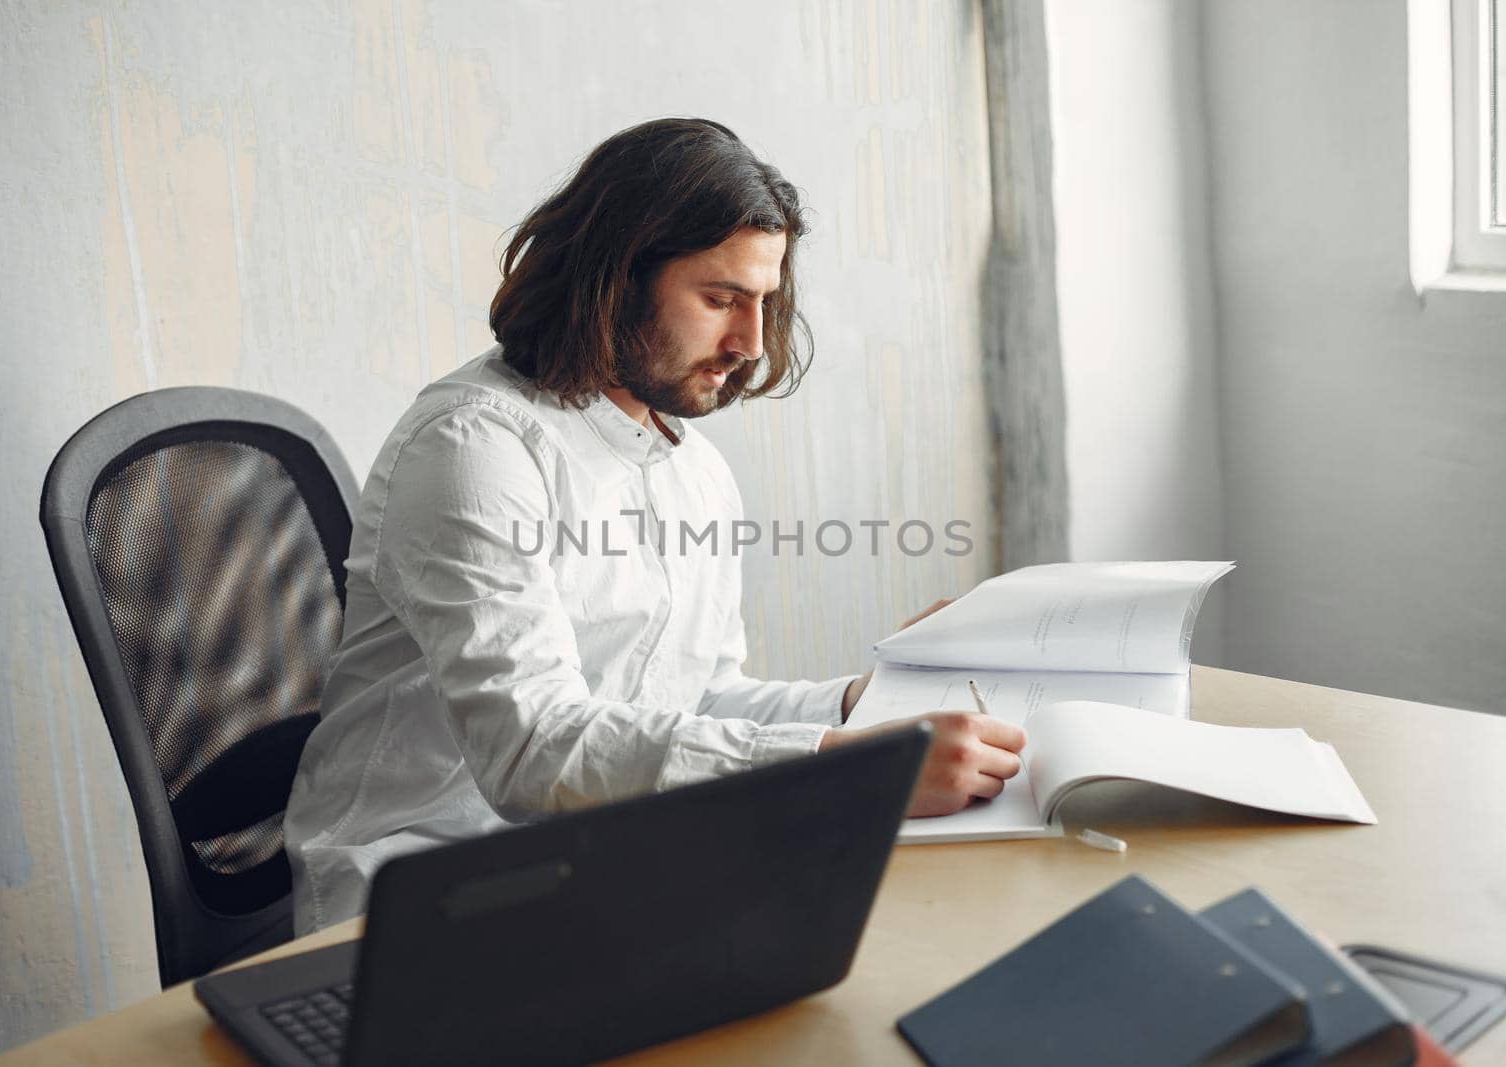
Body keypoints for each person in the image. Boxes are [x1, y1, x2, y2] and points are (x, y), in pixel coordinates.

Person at [284, 117, 1026, 934]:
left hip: (598, 862)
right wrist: (844, 767)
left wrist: (868, 703)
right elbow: (533, 750)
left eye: (763, 303)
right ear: (618, 278)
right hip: (420, 893)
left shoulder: (691, 465)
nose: (748, 341)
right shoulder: (472, 447)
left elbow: (704, 697)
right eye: (720, 300)